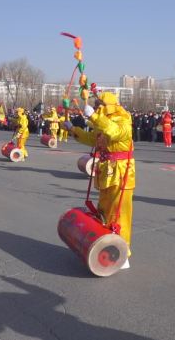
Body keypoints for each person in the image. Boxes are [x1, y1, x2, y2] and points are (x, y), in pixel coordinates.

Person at [63, 92, 135, 270]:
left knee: (120, 213)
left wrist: (94, 117)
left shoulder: (123, 120)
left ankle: (123, 251)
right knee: (104, 210)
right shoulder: (103, 121)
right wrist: (73, 129)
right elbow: (93, 139)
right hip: (106, 170)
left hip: (121, 170)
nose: (97, 107)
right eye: (96, 105)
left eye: (100, 104)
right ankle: (108, 244)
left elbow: (115, 132)